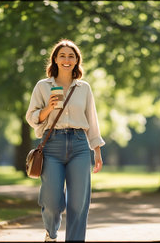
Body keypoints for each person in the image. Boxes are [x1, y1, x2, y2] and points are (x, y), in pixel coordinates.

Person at [25, 39, 105, 241]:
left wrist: (96, 150)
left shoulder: (84, 88)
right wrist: (48, 109)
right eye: (62, 55)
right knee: (52, 201)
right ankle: (51, 234)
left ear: (77, 60)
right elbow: (31, 117)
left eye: (71, 56)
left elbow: (92, 120)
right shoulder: (43, 86)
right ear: (55, 59)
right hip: (52, 145)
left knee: (79, 203)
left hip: (79, 145)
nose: (67, 59)